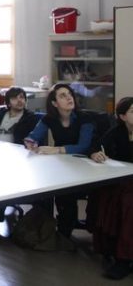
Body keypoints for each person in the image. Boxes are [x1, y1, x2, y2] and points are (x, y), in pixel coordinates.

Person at [24, 83, 95, 238]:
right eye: (63, 96)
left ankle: (64, 232)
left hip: (84, 166)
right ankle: (46, 229)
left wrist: (57, 149)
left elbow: (83, 146)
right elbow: (33, 136)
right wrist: (31, 142)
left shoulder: (85, 118)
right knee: (44, 188)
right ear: (55, 103)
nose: (69, 98)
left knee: (66, 194)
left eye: (69, 94)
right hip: (61, 165)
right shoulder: (49, 119)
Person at [0, 87, 40, 236]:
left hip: (14, 156)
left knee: (0, 182)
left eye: (22, 97)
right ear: (8, 102)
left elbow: (32, 139)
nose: (19, 101)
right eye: (15, 98)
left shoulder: (30, 118)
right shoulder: (0, 114)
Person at [88, 97, 133, 280]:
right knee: (109, 195)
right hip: (123, 179)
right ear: (122, 116)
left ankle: (124, 258)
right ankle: (117, 253)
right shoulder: (117, 132)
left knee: (129, 203)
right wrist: (95, 154)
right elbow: (95, 146)